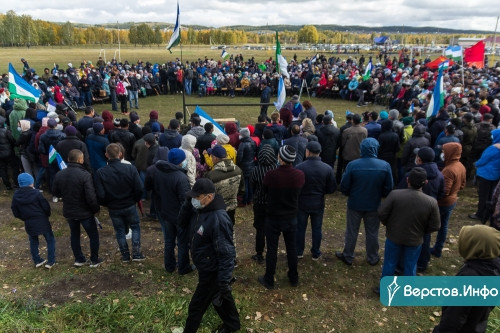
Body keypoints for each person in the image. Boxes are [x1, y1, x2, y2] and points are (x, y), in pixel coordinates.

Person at [179, 178, 241, 333]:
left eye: (197, 197)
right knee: (218, 297)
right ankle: (233, 325)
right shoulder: (200, 210)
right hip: (205, 265)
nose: (194, 200)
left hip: (212, 270)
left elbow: (227, 252)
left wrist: (224, 279)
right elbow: (180, 222)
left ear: (209, 197)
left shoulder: (218, 218)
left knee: (197, 305)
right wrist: (188, 203)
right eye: (193, 197)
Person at [433, 225, 500, 333]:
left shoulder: (469, 279)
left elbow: (453, 319)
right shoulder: (493, 268)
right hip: (476, 326)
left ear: (475, 247)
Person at [336, 138, 393, 266]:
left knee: (352, 231)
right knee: (372, 232)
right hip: (374, 204)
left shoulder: (353, 165)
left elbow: (344, 185)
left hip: (355, 203)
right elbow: (388, 187)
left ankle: (348, 255)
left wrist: (350, 193)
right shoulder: (384, 166)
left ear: (362, 149)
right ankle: (372, 257)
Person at [378, 167, 440, 278]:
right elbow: (436, 225)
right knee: (410, 266)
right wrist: (422, 231)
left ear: (408, 180)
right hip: (415, 239)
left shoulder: (395, 195)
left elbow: (382, 213)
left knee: (389, 263)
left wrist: (389, 225)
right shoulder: (431, 202)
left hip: (394, 236)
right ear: (425, 182)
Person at [258, 145, 305, 289]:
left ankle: (269, 279)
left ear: (280, 158)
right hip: (291, 216)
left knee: (272, 249)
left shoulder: (271, 175)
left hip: (273, 217)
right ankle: (293, 277)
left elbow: (265, 191)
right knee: (291, 248)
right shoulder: (299, 175)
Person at [145, 148, 195, 275]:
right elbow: (185, 200)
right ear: (179, 162)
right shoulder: (180, 177)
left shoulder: (157, 171)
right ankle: (183, 267)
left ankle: (169, 266)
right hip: (179, 215)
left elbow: (150, 188)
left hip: (164, 211)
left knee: (169, 240)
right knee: (182, 242)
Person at [95, 143, 145, 263]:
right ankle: (136, 254)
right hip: (128, 204)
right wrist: (134, 199)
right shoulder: (130, 168)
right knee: (135, 227)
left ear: (107, 155)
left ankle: (125, 255)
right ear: (120, 154)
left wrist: (108, 203)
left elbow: (100, 194)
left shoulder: (101, 172)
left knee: (120, 231)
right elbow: (139, 188)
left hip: (115, 206)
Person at [52, 149, 102, 267]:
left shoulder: (60, 174)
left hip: (69, 211)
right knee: (93, 235)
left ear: (69, 159)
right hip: (85, 212)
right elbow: (90, 196)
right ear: (81, 160)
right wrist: (95, 209)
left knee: (74, 234)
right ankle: (94, 259)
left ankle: (79, 259)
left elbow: (55, 192)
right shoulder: (85, 175)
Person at [295, 141, 336, 260]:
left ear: (307, 152)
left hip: (302, 203)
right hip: (318, 203)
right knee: (317, 228)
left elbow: (296, 186)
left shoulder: (300, 168)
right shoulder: (327, 169)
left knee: (300, 228)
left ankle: (299, 251)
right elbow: (331, 188)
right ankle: (316, 252)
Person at [11, 173, 56, 269]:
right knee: (50, 239)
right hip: (42, 220)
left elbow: (15, 210)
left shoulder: (16, 196)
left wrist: (24, 218)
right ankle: (51, 261)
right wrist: (47, 215)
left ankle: (37, 260)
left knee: (33, 241)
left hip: (29, 222)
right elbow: (45, 206)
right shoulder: (37, 194)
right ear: (31, 183)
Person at [431, 142, 466, 258]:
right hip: (452, 200)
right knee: (444, 226)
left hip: (442, 203)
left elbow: (444, 191)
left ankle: (425, 250)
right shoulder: (461, 166)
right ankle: (438, 249)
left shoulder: (449, 170)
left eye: (444, 151)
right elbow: (462, 185)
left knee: (428, 225)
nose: (442, 153)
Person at [250, 144, 277, 264]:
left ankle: (259, 253)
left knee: (260, 229)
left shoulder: (256, 170)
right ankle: (271, 253)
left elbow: (253, 187)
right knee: (271, 229)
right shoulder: (276, 170)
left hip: (260, 203)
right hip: (272, 203)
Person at [205, 144, 242, 225]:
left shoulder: (211, 175)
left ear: (215, 158)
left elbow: (207, 195)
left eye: (211, 156)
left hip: (217, 209)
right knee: (230, 225)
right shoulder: (238, 169)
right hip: (232, 206)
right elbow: (241, 189)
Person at [469, 129, 500, 223]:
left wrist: (475, 164)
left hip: (485, 174)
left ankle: (480, 213)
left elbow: (483, 160)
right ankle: (489, 211)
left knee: (483, 195)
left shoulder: (493, 148)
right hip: (496, 174)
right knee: (492, 194)